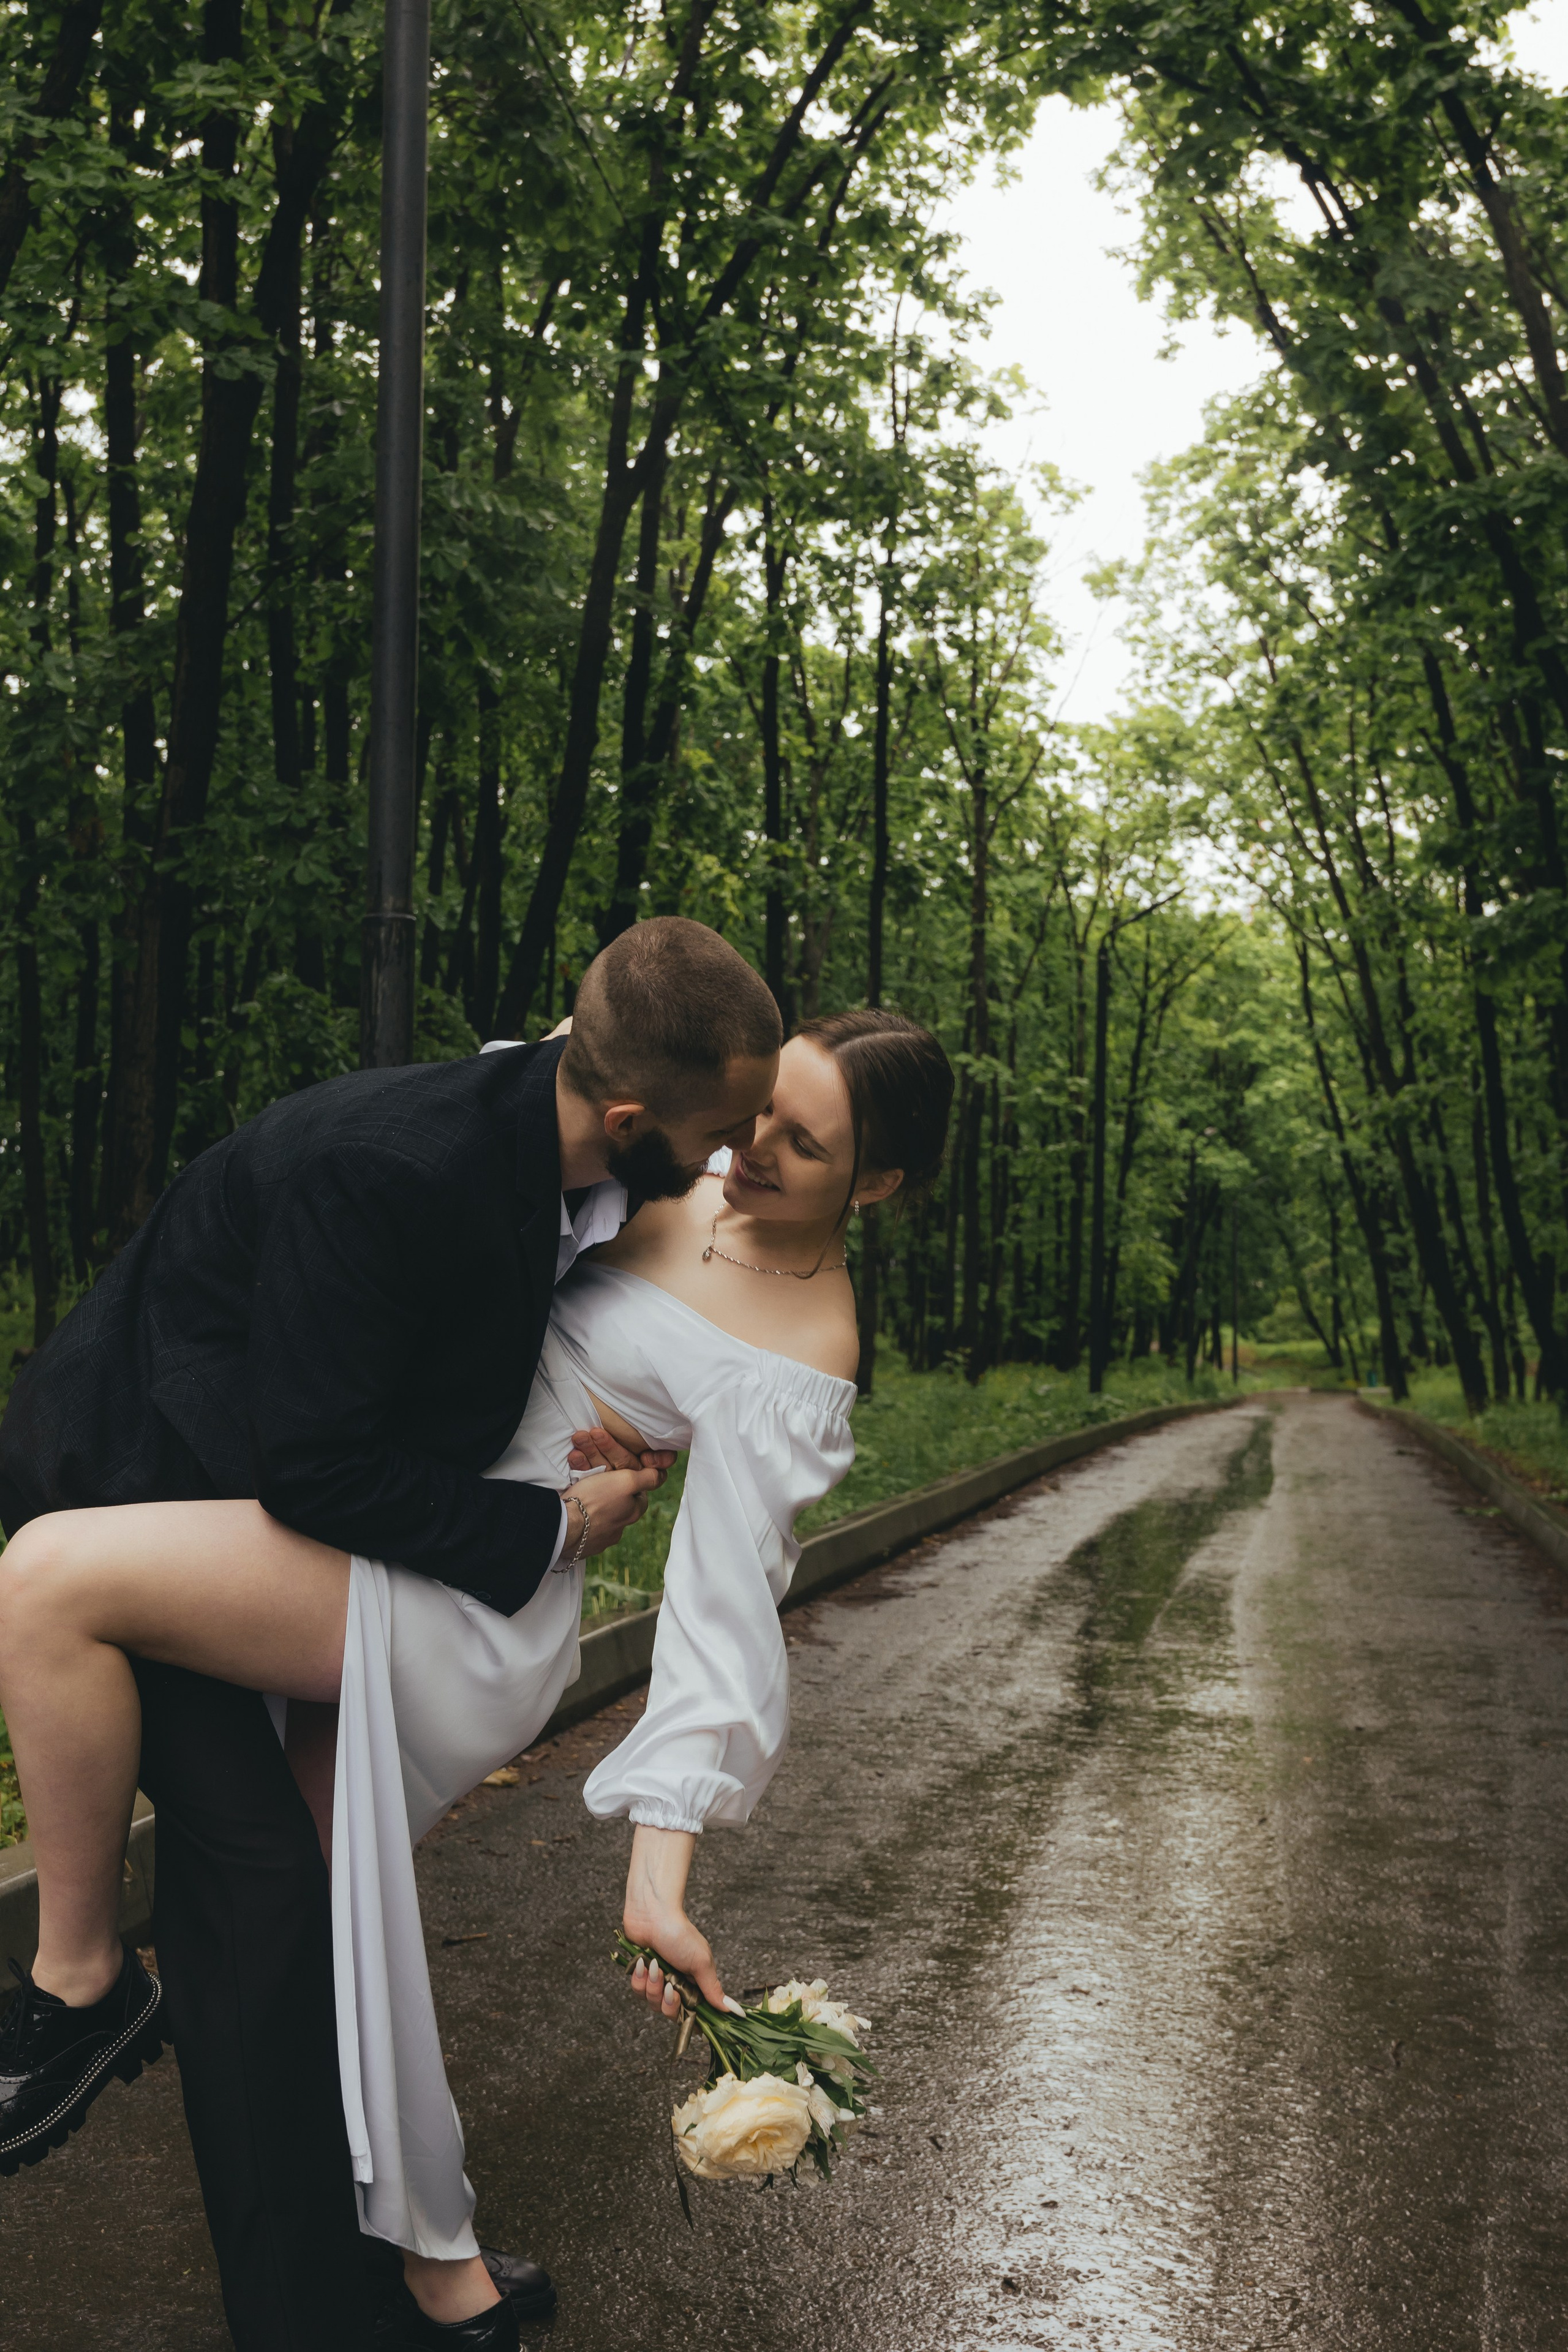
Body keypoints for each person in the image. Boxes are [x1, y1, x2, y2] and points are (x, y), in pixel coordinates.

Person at [0, 1008, 953, 2350]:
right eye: (753, 1117)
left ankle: (81, 1987)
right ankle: (420, 2270)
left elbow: (723, 1618)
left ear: (878, 1185)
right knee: (318, 1944)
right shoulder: (673, 1161)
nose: (749, 1155)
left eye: (802, 1146)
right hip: (395, 1507)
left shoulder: (802, 1360)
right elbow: (527, 1128)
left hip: (465, 1596)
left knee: (55, 1580)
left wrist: (655, 1880)